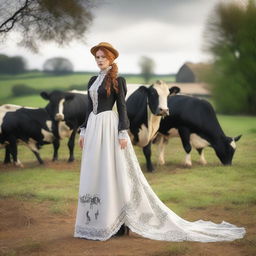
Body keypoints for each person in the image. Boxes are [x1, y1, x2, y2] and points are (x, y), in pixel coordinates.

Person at [74, 42, 246, 242]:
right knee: (94, 170)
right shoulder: (92, 80)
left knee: (111, 171)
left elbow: (121, 108)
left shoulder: (118, 81)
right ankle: (93, 221)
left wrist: (122, 133)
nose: (99, 60)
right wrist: (84, 130)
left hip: (108, 127)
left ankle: (117, 221)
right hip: (94, 128)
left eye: (103, 57)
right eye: (97, 57)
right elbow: (88, 107)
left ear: (111, 59)